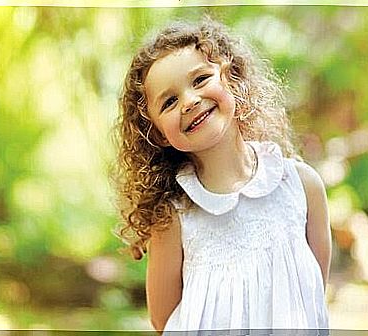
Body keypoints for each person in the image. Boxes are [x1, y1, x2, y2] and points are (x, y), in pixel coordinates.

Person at [113, 17, 331, 332]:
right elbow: (164, 320)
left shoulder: (302, 185)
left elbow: (312, 293)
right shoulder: (173, 216)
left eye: (200, 79)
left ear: (231, 77)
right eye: (170, 101)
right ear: (158, 134)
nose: (189, 101)